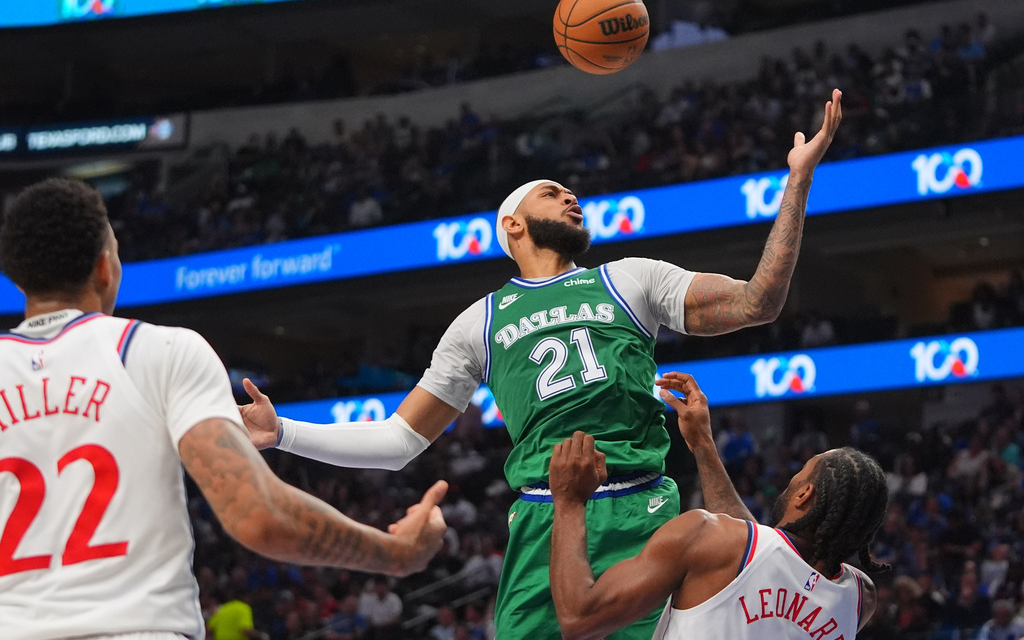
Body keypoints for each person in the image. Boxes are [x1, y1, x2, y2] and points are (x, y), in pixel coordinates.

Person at [241, 91, 845, 639]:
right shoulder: (478, 321)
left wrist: (797, 183)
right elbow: (401, 440)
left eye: (569, 191)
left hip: (643, 511)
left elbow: (756, 302)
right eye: (551, 193)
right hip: (545, 514)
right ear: (514, 225)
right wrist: (285, 433)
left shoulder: (631, 279)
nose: (570, 196)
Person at [0, 179, 448, 640]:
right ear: (104, 267)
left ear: (18, 278)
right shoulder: (161, 349)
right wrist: (397, 552)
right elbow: (258, 515)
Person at [548, 372, 887, 640]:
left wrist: (569, 501)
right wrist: (703, 445)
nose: (790, 482)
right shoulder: (860, 599)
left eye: (797, 477)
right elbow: (757, 558)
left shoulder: (705, 536)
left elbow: (579, 620)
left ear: (804, 496)